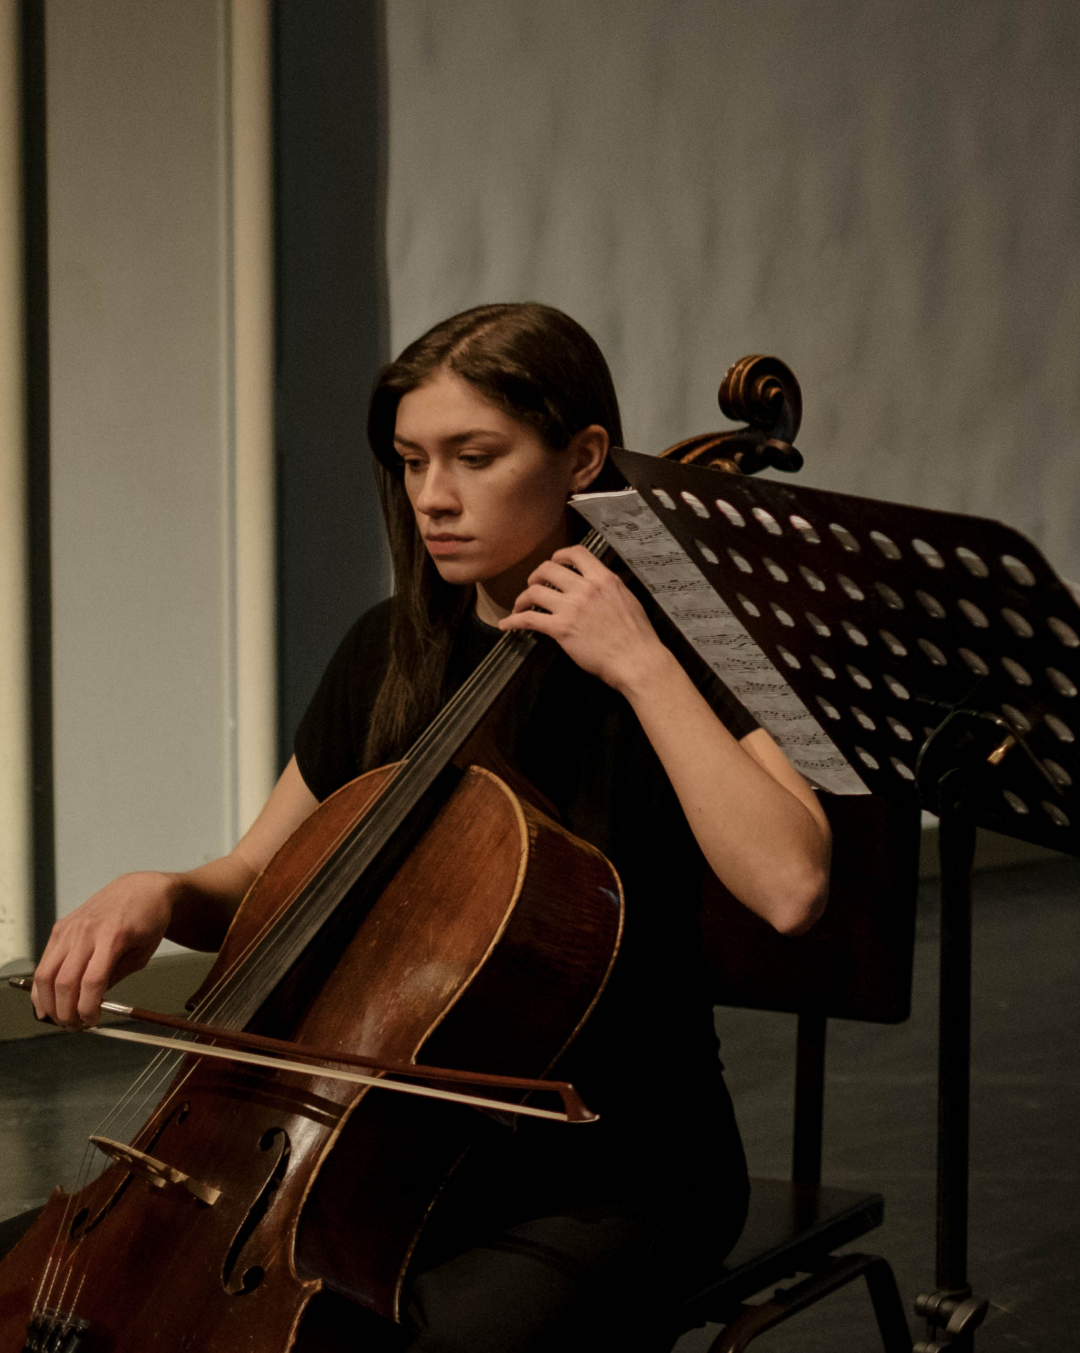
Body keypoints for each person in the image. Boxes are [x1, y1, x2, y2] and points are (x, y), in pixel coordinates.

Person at [25, 302, 833, 1351]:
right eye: (411, 463)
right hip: (385, 1152)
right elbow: (262, 875)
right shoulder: (388, 648)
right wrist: (165, 891)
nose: (433, 498)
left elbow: (790, 883)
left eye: (474, 456)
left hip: (616, 1175)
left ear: (583, 455)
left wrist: (637, 659)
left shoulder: (681, 645)